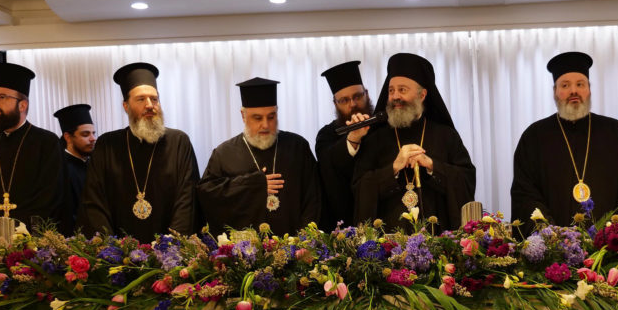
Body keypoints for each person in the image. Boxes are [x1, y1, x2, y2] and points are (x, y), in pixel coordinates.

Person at [511, 51, 618, 226]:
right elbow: (525, 194)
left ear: (589, 90)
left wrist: (617, 226)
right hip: (553, 242)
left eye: (580, 84)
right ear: (555, 92)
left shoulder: (616, 132)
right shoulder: (533, 137)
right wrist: (551, 233)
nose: (574, 91)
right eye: (565, 85)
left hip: (609, 240)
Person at [352, 53, 475, 230]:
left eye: (402, 90)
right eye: (391, 90)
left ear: (422, 95)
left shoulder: (445, 135)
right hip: (387, 240)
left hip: (439, 238)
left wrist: (432, 166)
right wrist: (393, 168)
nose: (395, 96)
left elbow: (466, 180)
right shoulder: (376, 138)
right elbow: (360, 187)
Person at [79, 62, 198, 242]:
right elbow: (94, 201)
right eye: (141, 99)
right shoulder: (107, 144)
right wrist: (111, 248)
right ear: (126, 106)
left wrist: (172, 246)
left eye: (154, 99)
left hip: (171, 252)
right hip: (118, 253)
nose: (150, 105)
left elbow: (187, 199)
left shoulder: (179, 142)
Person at [196, 77, 320, 236]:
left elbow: (313, 199)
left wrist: (305, 239)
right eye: (257, 118)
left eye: (271, 116)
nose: (266, 125)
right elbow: (208, 196)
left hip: (295, 246)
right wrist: (253, 185)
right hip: (245, 249)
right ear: (243, 115)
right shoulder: (224, 153)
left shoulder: (297, 147)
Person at [0, 62, 62, 244]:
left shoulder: (47, 143)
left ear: (22, 105)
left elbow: (51, 197)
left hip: (34, 244)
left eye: (2, 97)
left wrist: (14, 231)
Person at [315, 60, 373, 231]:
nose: (352, 104)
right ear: (335, 103)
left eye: (357, 96)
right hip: (345, 226)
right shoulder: (327, 135)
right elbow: (330, 164)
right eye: (344, 100)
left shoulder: (383, 128)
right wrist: (353, 138)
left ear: (366, 95)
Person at [53, 103, 97, 233]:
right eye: (85, 134)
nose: (93, 139)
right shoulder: (59, 169)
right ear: (68, 137)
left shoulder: (95, 164)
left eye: (93, 133)